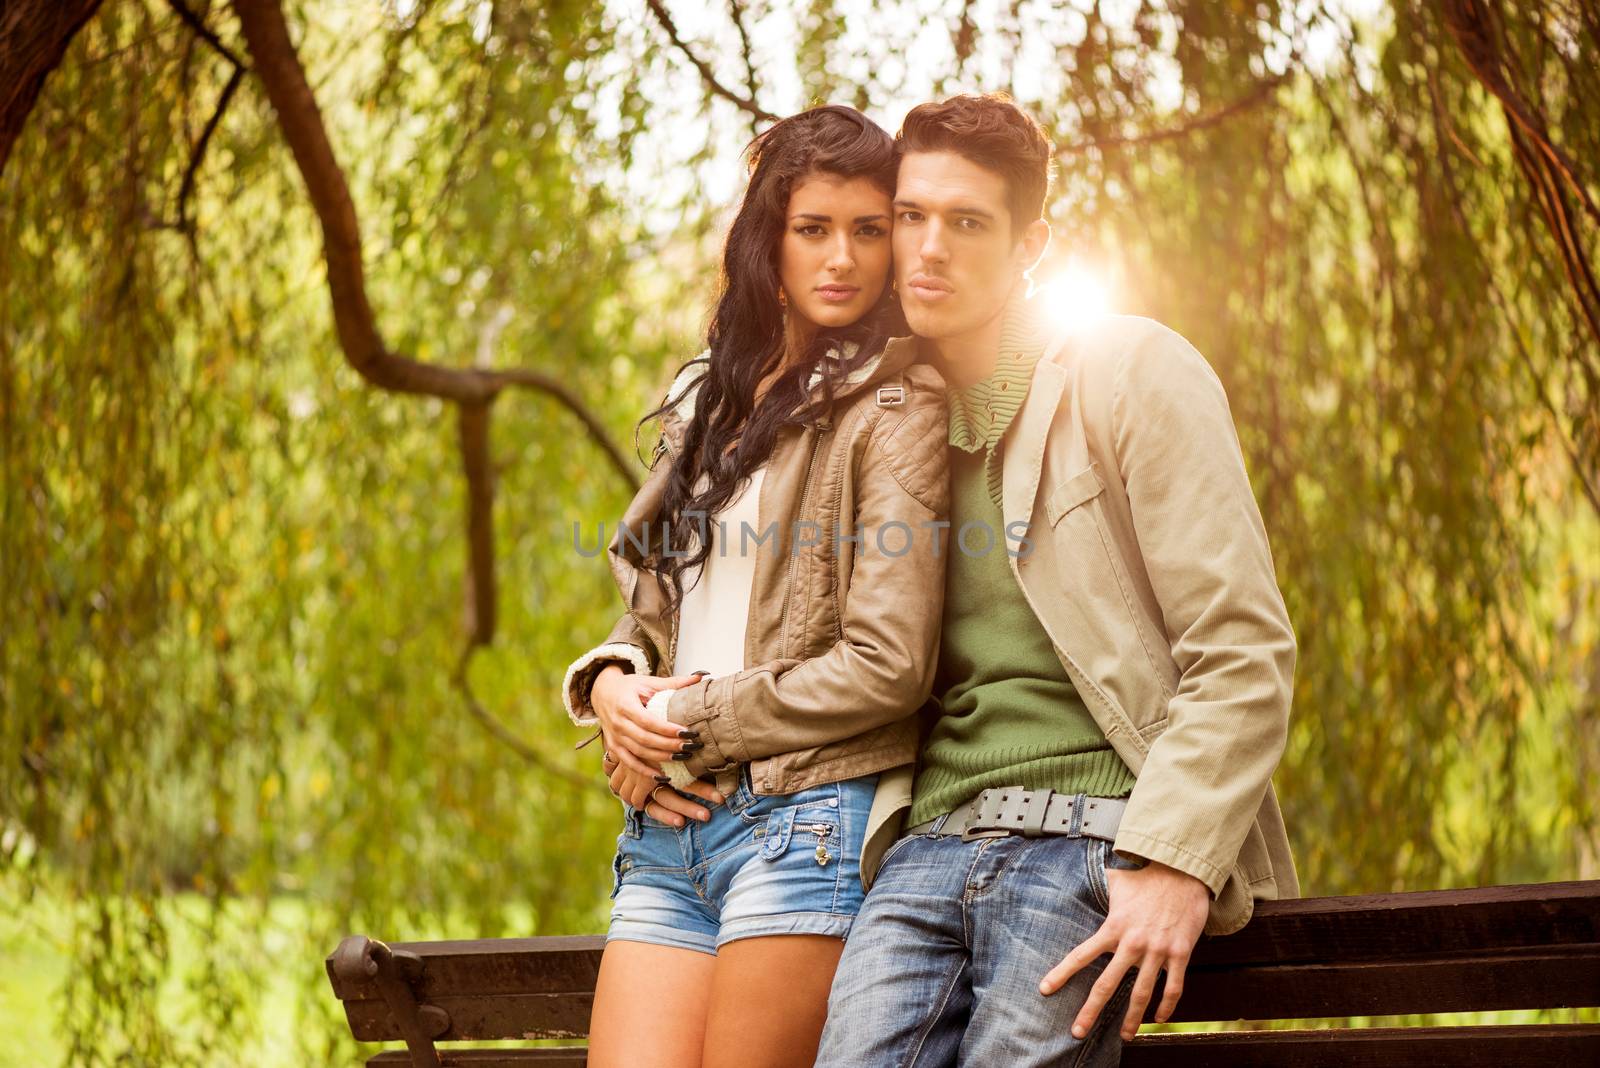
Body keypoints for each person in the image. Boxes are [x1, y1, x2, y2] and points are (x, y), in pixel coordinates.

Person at [815, 93, 1300, 1067]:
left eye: (966, 221)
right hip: (921, 856)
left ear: (1030, 242)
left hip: (1091, 847)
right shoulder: (882, 424)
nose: (928, 248)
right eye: (909, 217)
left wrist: (1169, 859)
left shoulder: (1128, 368)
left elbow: (1242, 652)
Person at [558, 104, 950, 1068]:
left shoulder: (898, 406)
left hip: (804, 822)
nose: (844, 259)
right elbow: (658, 615)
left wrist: (687, 725)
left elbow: (888, 665)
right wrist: (610, 690)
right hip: (666, 826)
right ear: (766, 238)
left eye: (869, 230)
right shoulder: (711, 399)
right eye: (812, 228)